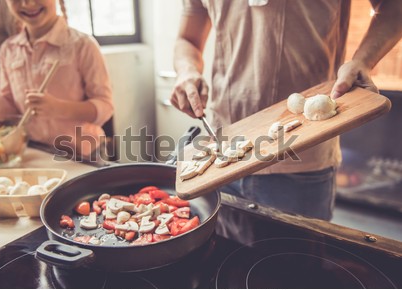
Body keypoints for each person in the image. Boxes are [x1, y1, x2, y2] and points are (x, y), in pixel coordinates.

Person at [170, 0, 402, 221]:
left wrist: (363, 61)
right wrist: (186, 71)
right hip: (223, 148)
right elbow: (187, 39)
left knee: (296, 260)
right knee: (229, 255)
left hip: (302, 158)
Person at [0, 0, 114, 158]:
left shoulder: (83, 45)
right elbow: (9, 110)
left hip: (83, 153)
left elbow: (105, 107)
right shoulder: (8, 50)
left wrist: (57, 108)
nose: (27, 4)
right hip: (37, 152)